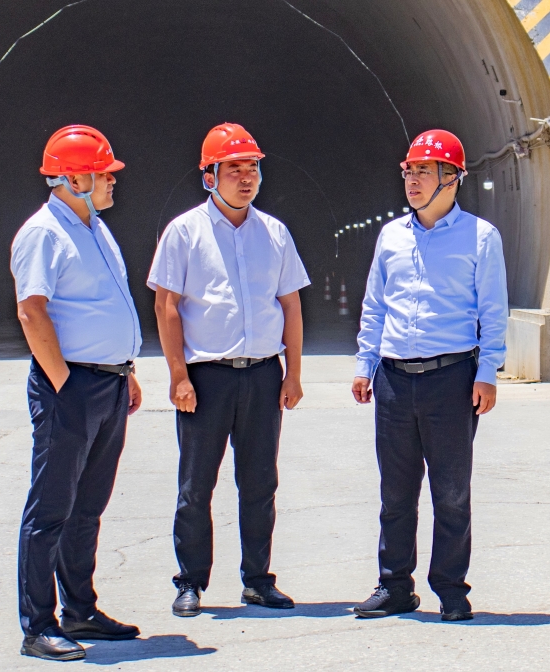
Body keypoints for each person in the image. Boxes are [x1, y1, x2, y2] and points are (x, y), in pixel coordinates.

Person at [148, 123, 309, 617]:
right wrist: (178, 375)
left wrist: (292, 372)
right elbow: (167, 307)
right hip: (207, 378)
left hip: (262, 374)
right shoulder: (184, 232)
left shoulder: (274, 233)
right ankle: (190, 581)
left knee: (260, 483)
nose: (245, 177)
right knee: (197, 485)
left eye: (252, 168)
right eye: (233, 168)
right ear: (209, 177)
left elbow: (290, 305)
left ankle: (258, 581)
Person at [351, 130, 508, 621]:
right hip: (394, 380)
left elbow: (493, 311)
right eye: (409, 171)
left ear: (452, 178)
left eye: (423, 171)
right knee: (395, 493)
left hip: (451, 379)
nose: (412, 180)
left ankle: (451, 590)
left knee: (451, 494)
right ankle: (394, 585)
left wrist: (487, 372)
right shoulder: (391, 236)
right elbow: (375, 305)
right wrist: (365, 364)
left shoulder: (480, 237)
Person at [11, 125, 143, 661]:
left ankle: (81, 610)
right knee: (51, 510)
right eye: (104, 174)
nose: (113, 181)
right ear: (73, 179)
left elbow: (105, 304)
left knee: (88, 506)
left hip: (108, 382)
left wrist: (125, 369)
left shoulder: (95, 229)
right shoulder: (44, 233)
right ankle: (38, 625)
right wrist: (64, 382)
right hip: (71, 387)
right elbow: (31, 310)